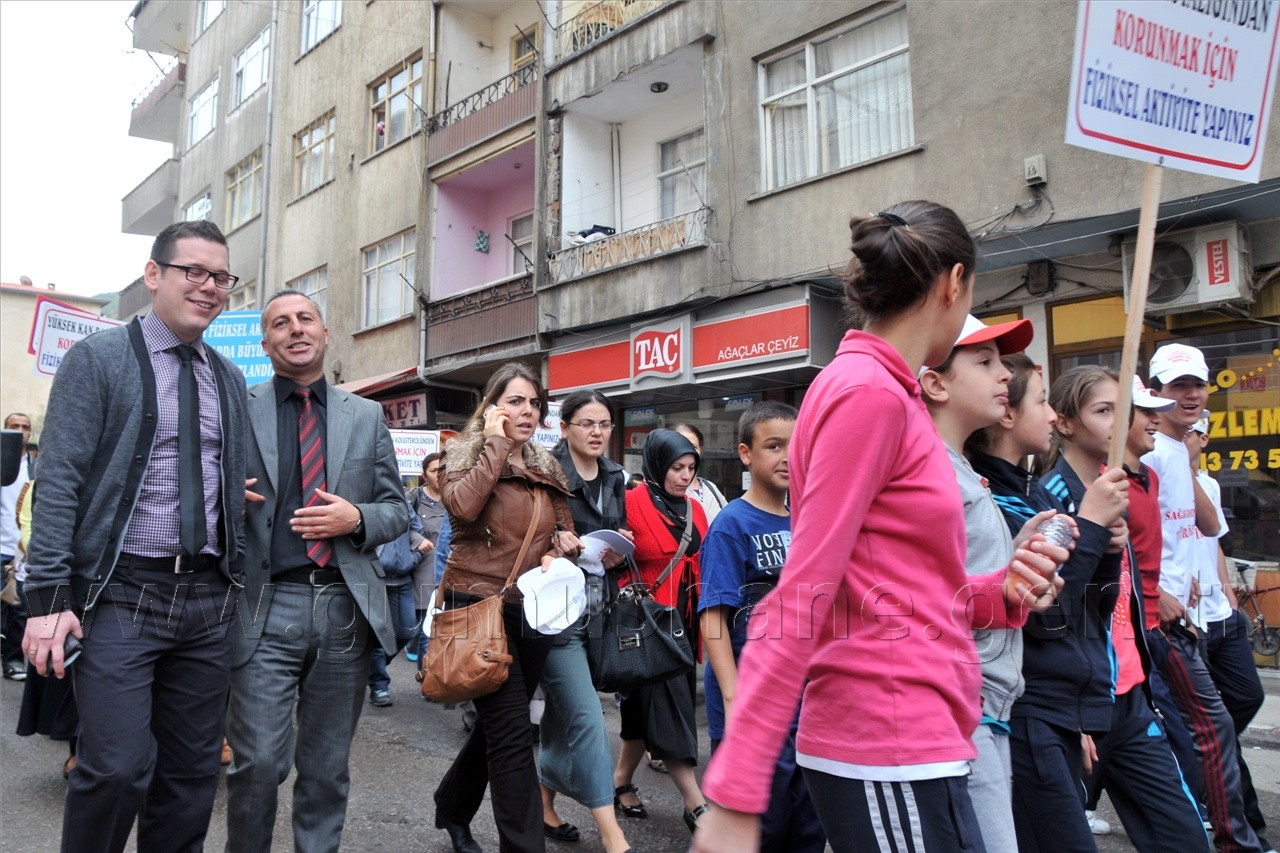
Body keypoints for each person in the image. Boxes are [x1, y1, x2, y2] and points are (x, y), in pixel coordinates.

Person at [692, 202, 1066, 853]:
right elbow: (803, 591)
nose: (1004, 374)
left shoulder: (885, 392)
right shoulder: (867, 392)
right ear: (954, 283)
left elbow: (892, 584)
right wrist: (737, 790)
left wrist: (998, 590)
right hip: (888, 739)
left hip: (920, 738)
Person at [22, 220, 250, 853]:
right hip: (122, 596)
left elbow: (222, 473)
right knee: (117, 767)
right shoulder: (97, 359)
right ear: (154, 275)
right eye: (193, 272)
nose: (209, 287)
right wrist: (45, 604)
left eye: (221, 277)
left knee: (193, 777)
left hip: (207, 601)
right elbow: (59, 482)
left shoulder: (227, 377)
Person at [225, 288, 407, 853]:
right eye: (281, 322)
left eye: (306, 319)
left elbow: (398, 508)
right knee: (256, 764)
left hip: (342, 609)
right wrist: (228, 499)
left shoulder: (367, 415)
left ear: (326, 334)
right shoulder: (238, 407)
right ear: (266, 342)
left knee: (326, 771)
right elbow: (202, 493)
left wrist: (357, 518)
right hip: (264, 604)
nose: (295, 329)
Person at [921, 314, 1071, 853]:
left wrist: (1018, 562)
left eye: (1001, 363)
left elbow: (965, 578)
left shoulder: (960, 469)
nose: (1003, 376)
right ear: (935, 383)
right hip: (965, 702)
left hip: (991, 703)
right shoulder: (931, 472)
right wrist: (1004, 587)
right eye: (984, 362)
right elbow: (916, 596)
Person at [432, 361, 582, 853]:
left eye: (534, 402)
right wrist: (496, 446)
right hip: (478, 606)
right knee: (515, 734)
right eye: (515, 400)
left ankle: (452, 806)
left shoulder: (546, 464)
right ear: (492, 406)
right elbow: (463, 509)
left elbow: (561, 528)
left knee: (504, 725)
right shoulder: (465, 452)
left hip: (533, 609)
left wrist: (567, 543)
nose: (528, 410)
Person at [1143, 343, 1265, 853]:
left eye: (1197, 384)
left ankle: (1196, 773)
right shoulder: (1147, 453)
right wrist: (1155, 593)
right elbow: (1133, 536)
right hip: (1171, 617)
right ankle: (1235, 831)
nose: (1190, 395)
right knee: (1210, 728)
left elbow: (1210, 528)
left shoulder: (1189, 462)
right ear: (1155, 394)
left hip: (1215, 613)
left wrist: (1191, 466)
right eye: (1178, 386)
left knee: (1238, 706)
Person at [698, 401, 825, 853]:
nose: (788, 457)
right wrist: (733, 699)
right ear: (745, 453)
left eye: (797, 445)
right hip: (750, 707)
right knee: (758, 830)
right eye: (774, 446)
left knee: (808, 829)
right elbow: (713, 617)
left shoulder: (810, 520)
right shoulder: (731, 524)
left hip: (806, 708)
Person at [539, 389, 635, 853]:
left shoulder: (615, 475)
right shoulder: (545, 472)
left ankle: (541, 803)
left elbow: (614, 540)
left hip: (599, 608)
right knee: (588, 718)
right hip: (555, 615)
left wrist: (620, 546)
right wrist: (551, 544)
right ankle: (612, 833)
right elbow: (527, 538)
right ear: (564, 428)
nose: (597, 432)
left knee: (561, 715)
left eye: (604, 424)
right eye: (587, 423)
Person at [614, 427, 711, 833]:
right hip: (647, 624)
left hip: (683, 626)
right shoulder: (628, 504)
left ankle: (619, 782)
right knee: (672, 711)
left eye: (690, 468)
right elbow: (612, 561)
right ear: (656, 465)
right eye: (676, 467)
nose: (684, 476)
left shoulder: (695, 510)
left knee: (641, 710)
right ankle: (696, 804)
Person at [1187, 411, 1269, 847]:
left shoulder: (1211, 485)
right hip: (1187, 618)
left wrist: (1228, 590)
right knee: (1213, 724)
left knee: (1247, 696)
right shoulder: (1160, 477)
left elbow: (1213, 538)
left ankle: (1198, 757)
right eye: (1188, 432)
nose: (1194, 439)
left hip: (1222, 614)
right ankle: (1241, 823)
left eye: (1198, 432)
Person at [14, 478, 83, 780]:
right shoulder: (42, 483)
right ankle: (77, 750)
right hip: (67, 578)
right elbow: (32, 527)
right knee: (68, 671)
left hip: (121, 579)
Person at [367, 494, 426, 707]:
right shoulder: (367, 499)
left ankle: (372, 667)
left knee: (408, 631)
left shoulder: (403, 503)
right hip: (373, 579)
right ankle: (379, 685)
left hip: (401, 580)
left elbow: (418, 533)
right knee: (376, 636)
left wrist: (413, 558)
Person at [1, 411, 32, 681]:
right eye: (15, 426)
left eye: (25, 427)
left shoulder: (36, 466)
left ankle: (12, 661)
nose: (20, 431)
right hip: (0, 545)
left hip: (20, 551)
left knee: (17, 610)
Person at [408, 451, 446, 663]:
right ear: (424, 475)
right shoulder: (414, 498)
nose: (439, 474)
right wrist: (417, 540)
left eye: (443, 469)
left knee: (434, 627)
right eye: (434, 470)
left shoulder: (455, 497)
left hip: (450, 568)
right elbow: (400, 525)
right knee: (422, 624)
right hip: (422, 567)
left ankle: (429, 675)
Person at [673, 423, 728, 525]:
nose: (688, 451)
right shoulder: (668, 490)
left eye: (693, 447)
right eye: (681, 445)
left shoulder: (710, 487)